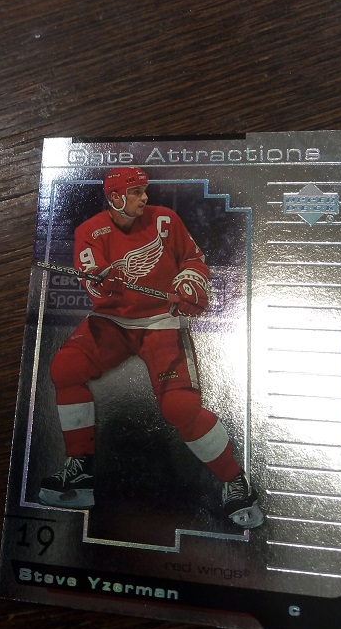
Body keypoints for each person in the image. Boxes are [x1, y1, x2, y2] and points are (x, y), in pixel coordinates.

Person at [39, 167, 264, 528]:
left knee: (180, 407)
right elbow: (93, 283)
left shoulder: (165, 220)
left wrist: (190, 285)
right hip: (113, 322)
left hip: (162, 320)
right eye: (136, 192)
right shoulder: (89, 232)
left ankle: (234, 481)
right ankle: (80, 470)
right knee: (65, 368)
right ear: (115, 197)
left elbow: (193, 259)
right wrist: (104, 281)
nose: (145, 197)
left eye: (144, 190)